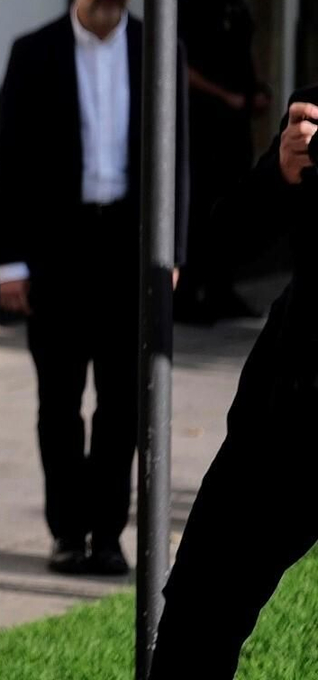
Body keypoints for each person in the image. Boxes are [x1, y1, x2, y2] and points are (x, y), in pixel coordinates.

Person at [0, 0, 187, 577]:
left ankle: (108, 533)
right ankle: (65, 531)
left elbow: (178, 161)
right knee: (58, 401)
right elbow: (10, 163)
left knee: (123, 405)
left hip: (129, 255)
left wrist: (174, 251)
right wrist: (10, 261)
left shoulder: (158, 52)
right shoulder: (34, 53)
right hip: (56, 253)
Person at [150, 89, 318, 678]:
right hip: (289, 413)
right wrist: (280, 172)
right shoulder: (316, 113)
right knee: (198, 614)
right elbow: (228, 239)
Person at [175, 0, 268, 323]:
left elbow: (247, 56)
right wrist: (223, 96)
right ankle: (188, 293)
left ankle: (221, 289)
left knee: (231, 206)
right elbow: (181, 65)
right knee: (197, 209)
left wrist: (257, 92)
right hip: (201, 126)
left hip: (233, 128)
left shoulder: (236, 6)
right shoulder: (188, 5)